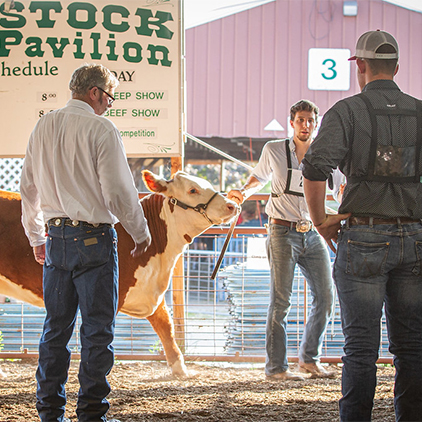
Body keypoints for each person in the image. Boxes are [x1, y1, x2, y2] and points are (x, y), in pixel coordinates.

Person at [20, 64, 151, 422]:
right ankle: (92, 413)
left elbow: (28, 187)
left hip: (55, 238)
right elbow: (119, 191)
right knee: (96, 332)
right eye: (109, 97)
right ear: (94, 92)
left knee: (55, 330)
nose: (110, 104)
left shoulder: (43, 125)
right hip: (94, 240)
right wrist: (140, 232)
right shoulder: (101, 128)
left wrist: (35, 235)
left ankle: (49, 412)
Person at [302, 30, 422, 421]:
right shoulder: (419, 112)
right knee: (413, 346)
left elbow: (315, 165)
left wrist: (321, 221)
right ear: (398, 68)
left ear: (361, 67)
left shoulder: (348, 111)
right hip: (415, 238)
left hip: (363, 235)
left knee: (361, 348)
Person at [228, 100, 335, 381]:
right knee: (281, 301)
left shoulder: (324, 154)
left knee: (325, 296)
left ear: (316, 123)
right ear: (292, 122)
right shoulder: (274, 150)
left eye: (311, 120)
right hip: (281, 231)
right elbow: (258, 178)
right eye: (301, 119)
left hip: (313, 232)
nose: (306, 125)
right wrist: (242, 192)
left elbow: (337, 187)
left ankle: (309, 360)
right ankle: (276, 368)